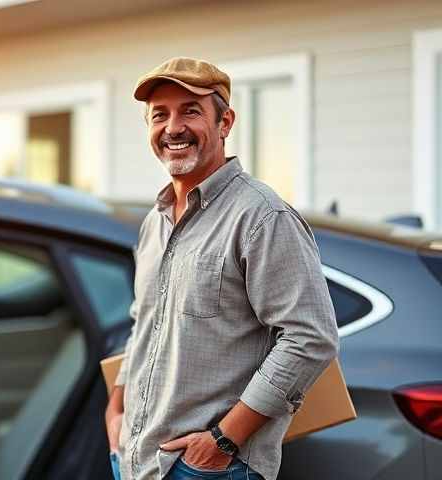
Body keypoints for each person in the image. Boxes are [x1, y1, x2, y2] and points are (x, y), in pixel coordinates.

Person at [104, 57, 339, 480]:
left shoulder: (262, 217)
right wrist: (117, 404)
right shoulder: (153, 222)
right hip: (138, 460)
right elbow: (145, 322)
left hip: (210, 469)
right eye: (160, 115)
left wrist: (223, 441)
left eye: (190, 111)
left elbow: (310, 337)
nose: (173, 127)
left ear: (225, 122)